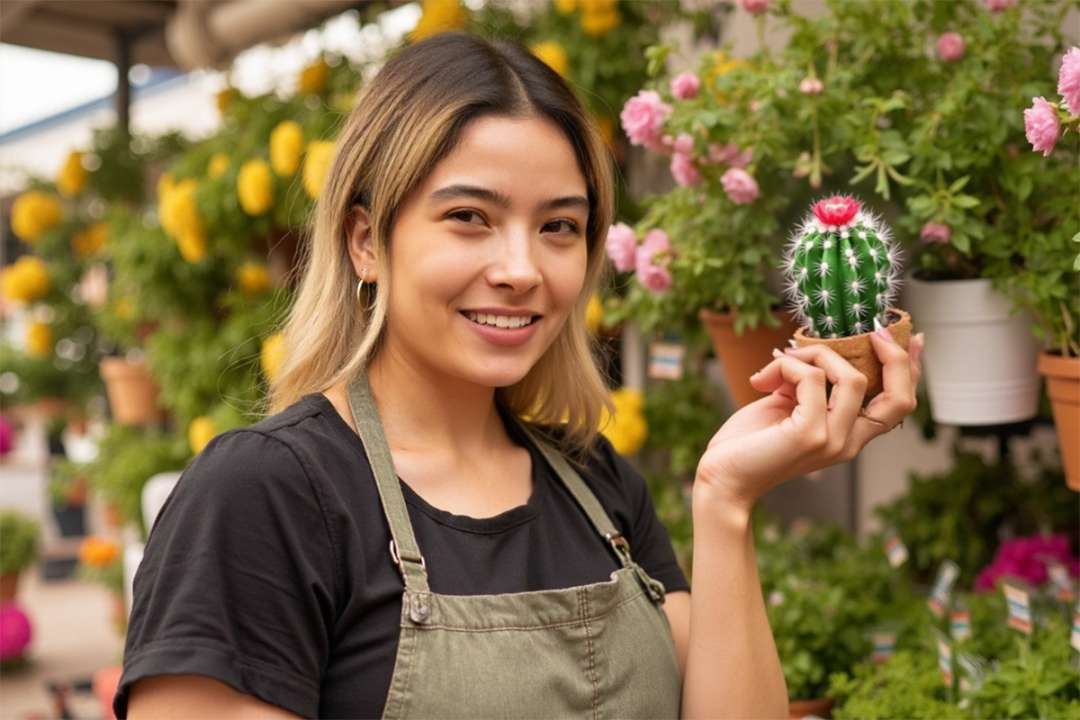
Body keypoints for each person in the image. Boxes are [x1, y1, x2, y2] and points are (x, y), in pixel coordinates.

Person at [114, 32, 924, 720]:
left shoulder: (597, 483)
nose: (521, 269)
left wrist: (727, 500)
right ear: (366, 241)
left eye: (559, 227)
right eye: (470, 217)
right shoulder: (267, 495)